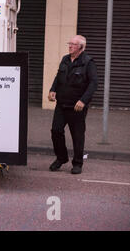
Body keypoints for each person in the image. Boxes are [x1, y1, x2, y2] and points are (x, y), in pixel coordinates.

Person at [48, 35, 97, 174]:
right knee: (56, 131)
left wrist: (83, 100)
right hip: (62, 104)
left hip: (77, 106)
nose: (69, 46)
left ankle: (77, 163)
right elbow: (58, 76)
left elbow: (93, 84)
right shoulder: (65, 59)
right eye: (69, 43)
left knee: (77, 135)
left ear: (80, 47)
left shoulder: (88, 62)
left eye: (73, 44)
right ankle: (61, 158)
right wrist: (53, 90)